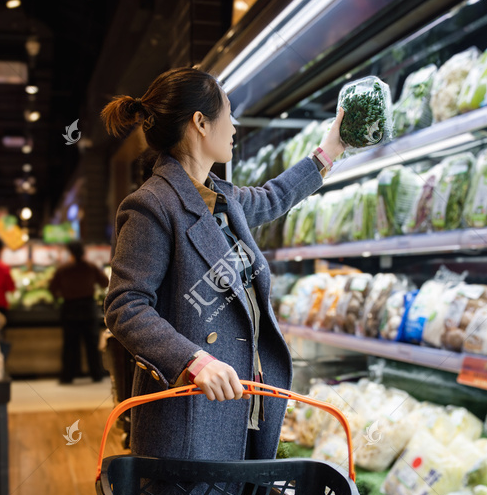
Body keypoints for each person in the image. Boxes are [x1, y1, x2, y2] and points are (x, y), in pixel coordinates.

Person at [102, 67, 345, 466]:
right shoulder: (151, 205)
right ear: (200, 122)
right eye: (227, 114)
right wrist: (193, 361)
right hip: (189, 416)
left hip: (238, 405)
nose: (233, 127)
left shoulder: (221, 198)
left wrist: (329, 150)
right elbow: (125, 307)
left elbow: (273, 197)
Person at [49, 241, 109, 383]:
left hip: (70, 308)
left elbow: (52, 288)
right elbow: (105, 282)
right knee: (92, 344)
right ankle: (96, 374)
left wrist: (63, 294)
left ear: (70, 252)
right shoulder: (90, 267)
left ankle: (67, 376)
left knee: (70, 345)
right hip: (88, 308)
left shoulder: (63, 269)